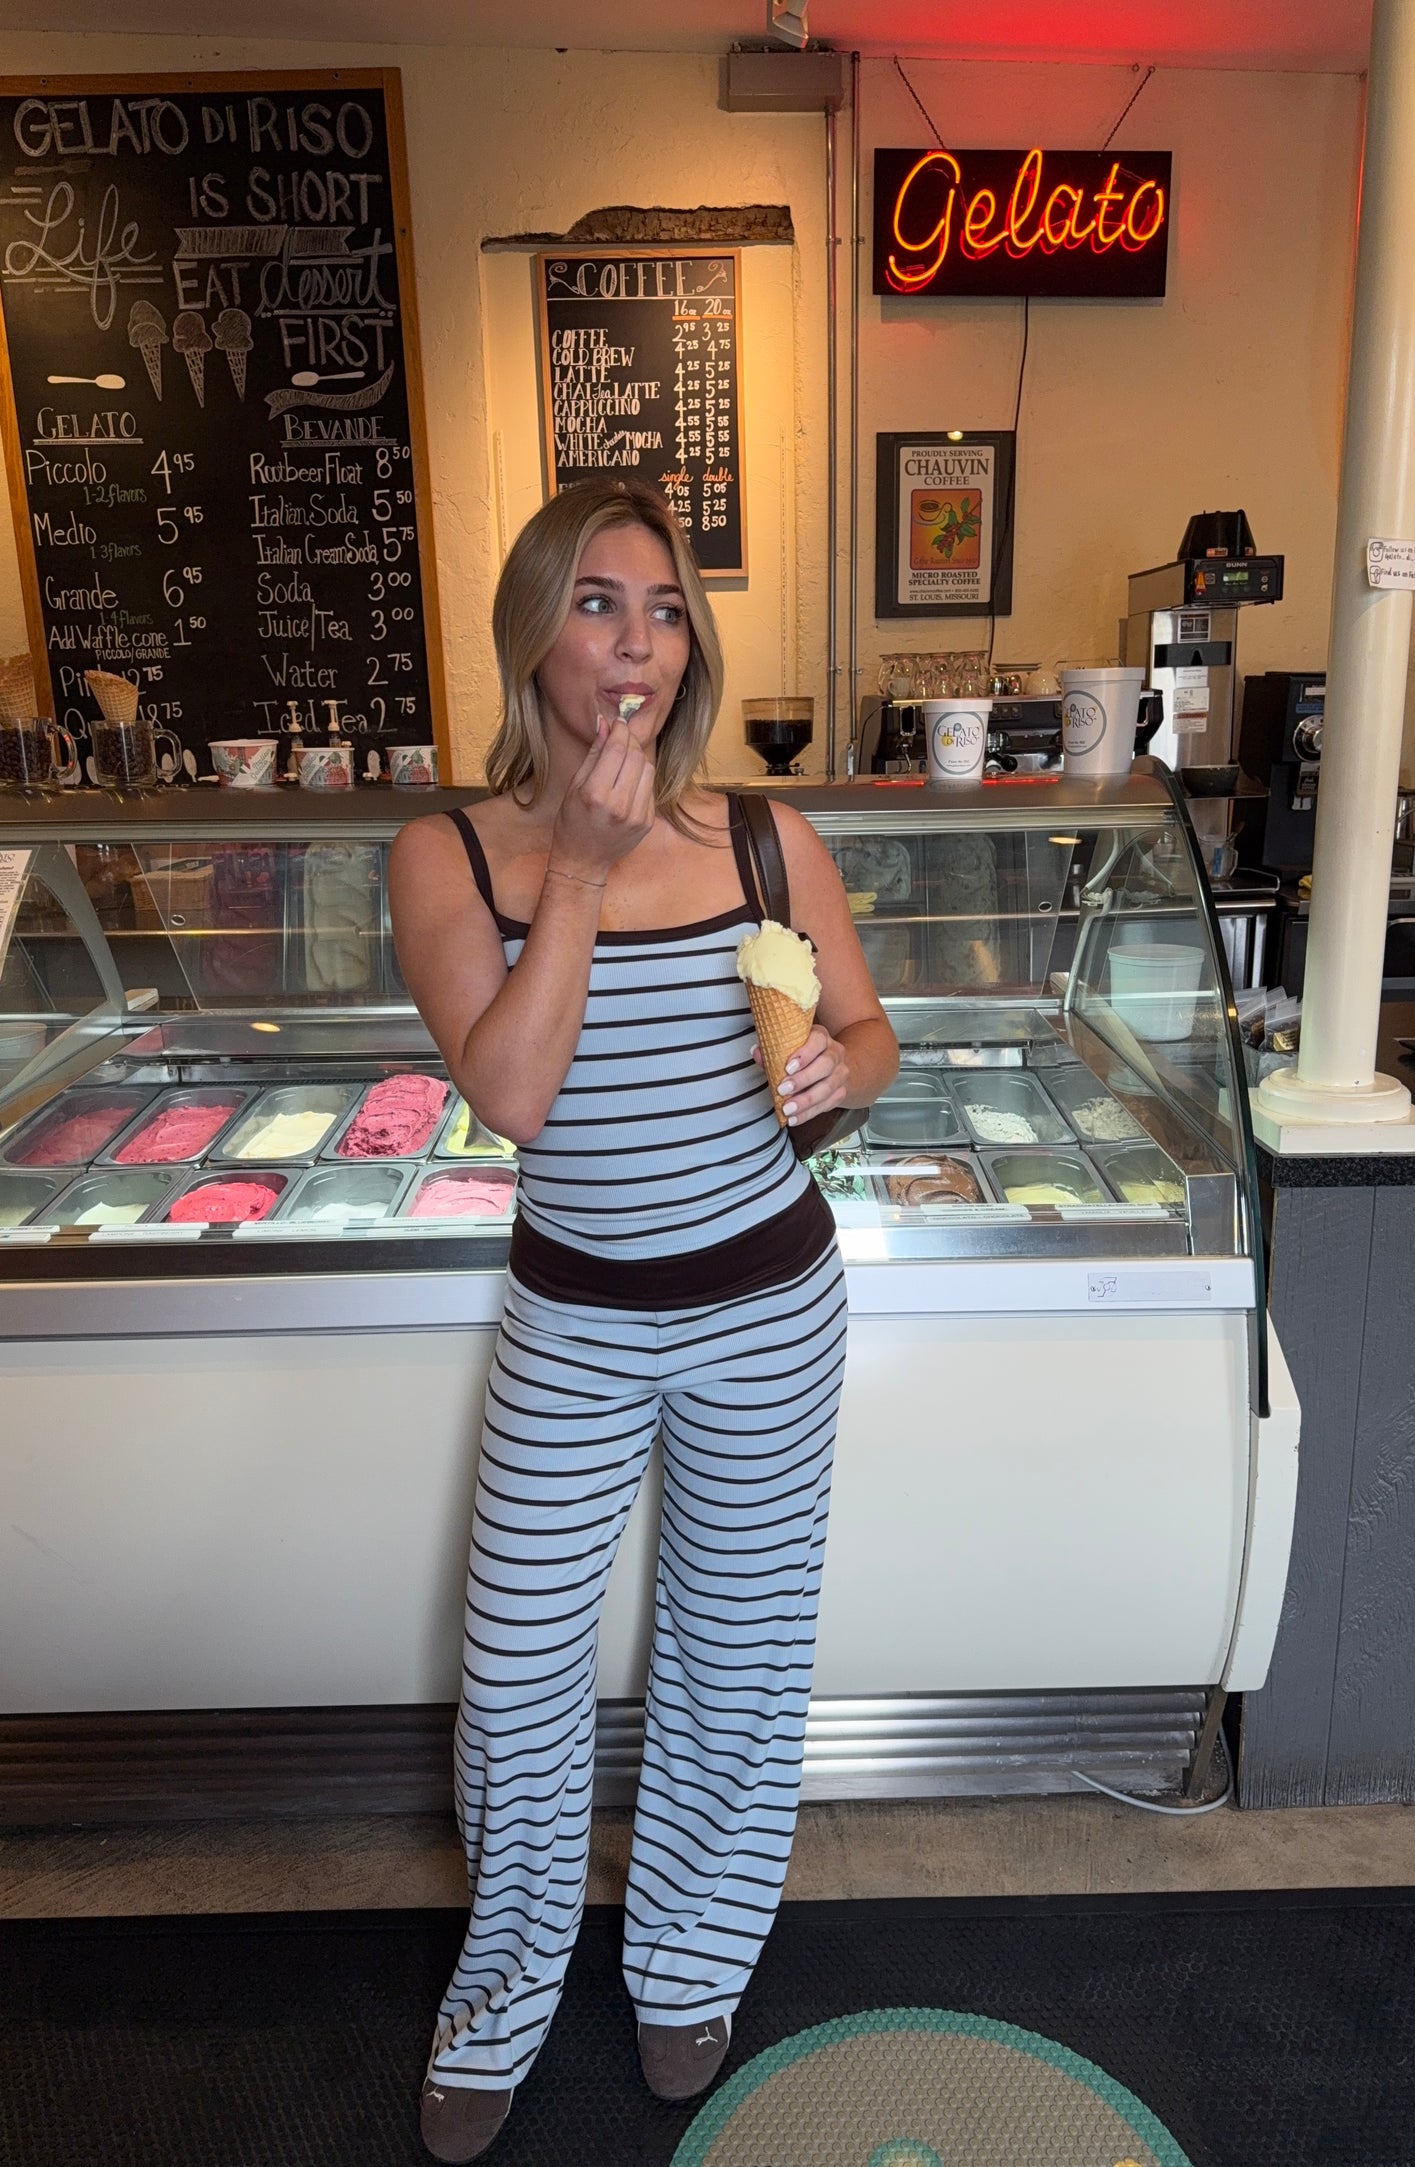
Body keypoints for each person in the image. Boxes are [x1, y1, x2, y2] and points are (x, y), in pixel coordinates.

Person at [388, 477, 898, 2163]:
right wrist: (587, 874)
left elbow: (869, 1030)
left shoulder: (763, 837)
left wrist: (838, 1073)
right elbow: (517, 1095)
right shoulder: (449, 850)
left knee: (733, 1659)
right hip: (574, 1322)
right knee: (520, 1673)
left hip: (768, 1304)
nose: (636, 642)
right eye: (598, 604)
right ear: (532, 634)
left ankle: (689, 1956)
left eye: (665, 607)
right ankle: (510, 1986)